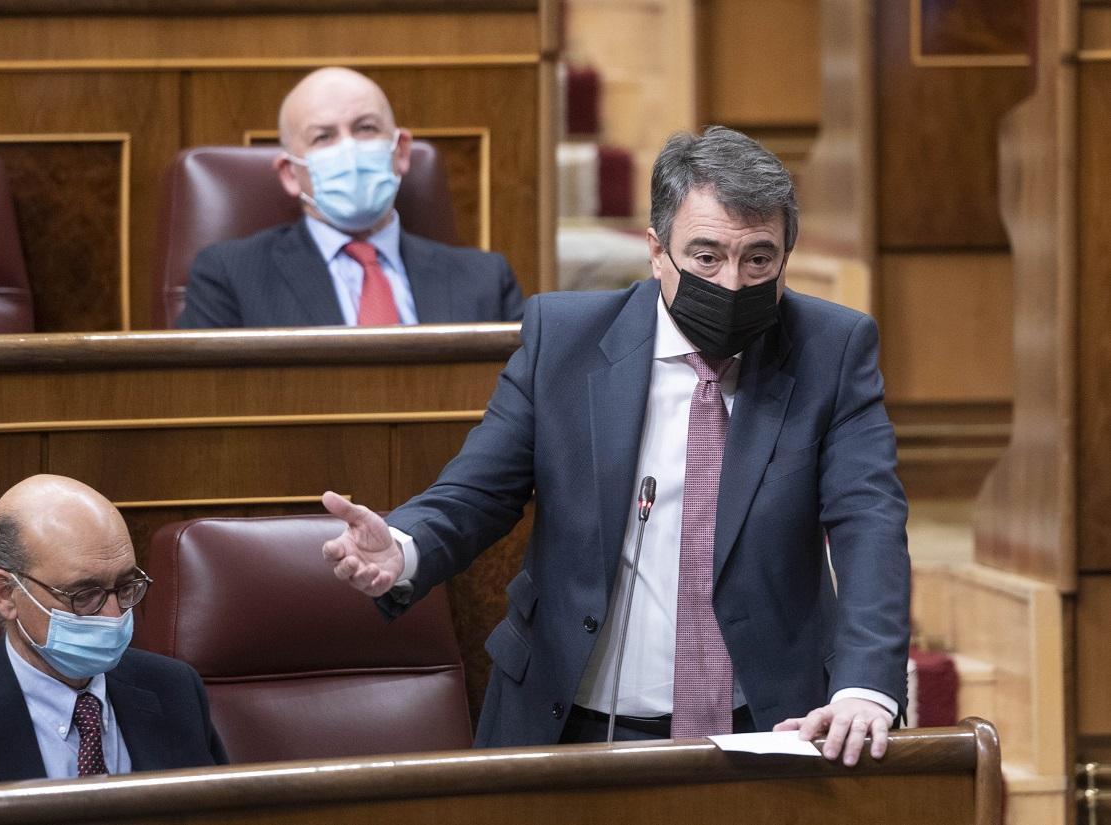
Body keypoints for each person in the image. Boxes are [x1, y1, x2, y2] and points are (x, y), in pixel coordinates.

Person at [321, 127, 910, 766]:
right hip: (568, 724)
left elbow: (869, 519)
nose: (734, 283)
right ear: (657, 251)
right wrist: (405, 547)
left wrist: (867, 684)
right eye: (707, 257)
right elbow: (479, 492)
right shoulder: (566, 341)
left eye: (759, 259)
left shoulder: (831, 349)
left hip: (767, 724)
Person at [0, 474, 228, 789]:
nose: (113, 613)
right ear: (6, 593)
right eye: (84, 595)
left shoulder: (174, 689)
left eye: (126, 586)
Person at [177, 67, 524, 329]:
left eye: (366, 128)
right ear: (289, 173)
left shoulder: (485, 280)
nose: (349, 149)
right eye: (323, 137)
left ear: (400, 151)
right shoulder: (231, 277)